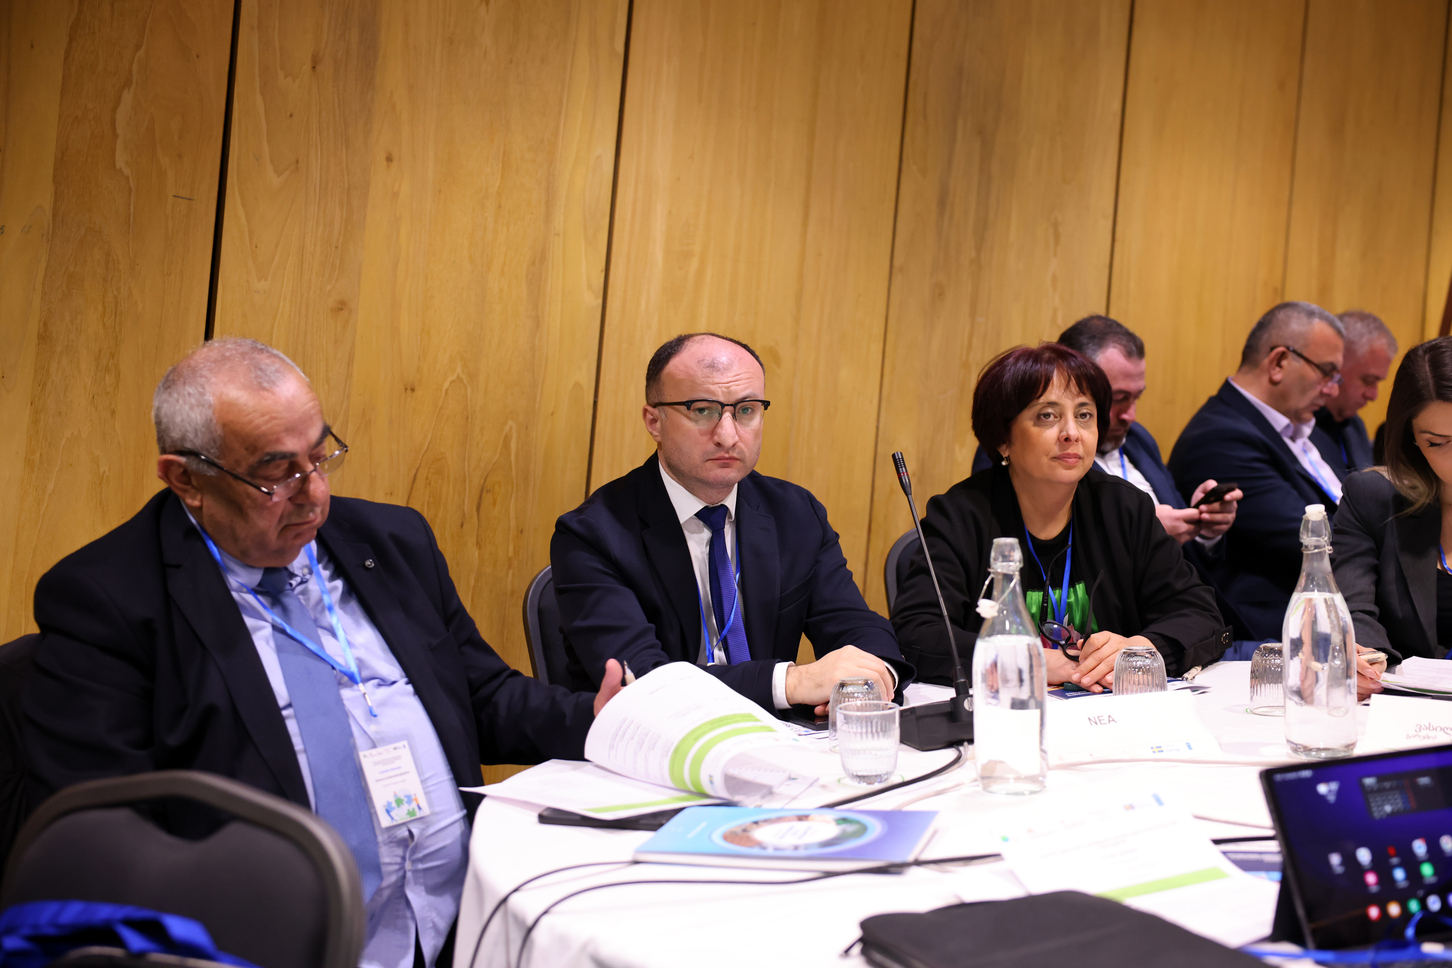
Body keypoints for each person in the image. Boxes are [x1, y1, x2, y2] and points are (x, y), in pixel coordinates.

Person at [23, 338, 623, 968]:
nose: (313, 493)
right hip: (264, 948)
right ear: (186, 479)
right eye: (276, 473)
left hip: (459, 929)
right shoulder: (109, 599)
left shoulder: (390, 540)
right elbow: (105, 837)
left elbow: (480, 695)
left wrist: (598, 720)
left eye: (320, 455)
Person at [551, 332, 909, 714]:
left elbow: (856, 626)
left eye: (746, 410)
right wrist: (791, 683)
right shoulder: (593, 535)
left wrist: (869, 681)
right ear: (654, 421)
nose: (727, 435)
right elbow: (643, 685)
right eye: (702, 410)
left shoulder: (795, 513)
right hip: (659, 743)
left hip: (778, 739)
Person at [892, 343, 1228, 691]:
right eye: (1047, 416)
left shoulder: (1125, 509)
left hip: (1108, 712)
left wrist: (1141, 649)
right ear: (1003, 439)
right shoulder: (961, 517)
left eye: (1084, 415)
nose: (1072, 433)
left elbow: (1201, 615)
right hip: (1008, 711)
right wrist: (1026, 662)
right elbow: (916, 633)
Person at [1168, 302, 1348, 644]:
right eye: (1326, 373)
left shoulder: (1312, 432)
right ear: (1279, 362)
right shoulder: (1220, 438)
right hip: (1277, 635)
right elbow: (1319, 542)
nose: (1332, 389)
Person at [1333, 336, 1452, 667]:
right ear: (1411, 438)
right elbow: (1352, 611)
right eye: (1438, 443)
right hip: (1406, 694)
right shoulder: (1372, 498)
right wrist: (1365, 656)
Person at [1315, 310, 1398, 475]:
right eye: (1368, 380)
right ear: (1334, 367)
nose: (1373, 395)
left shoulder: (1355, 426)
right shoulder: (1296, 428)